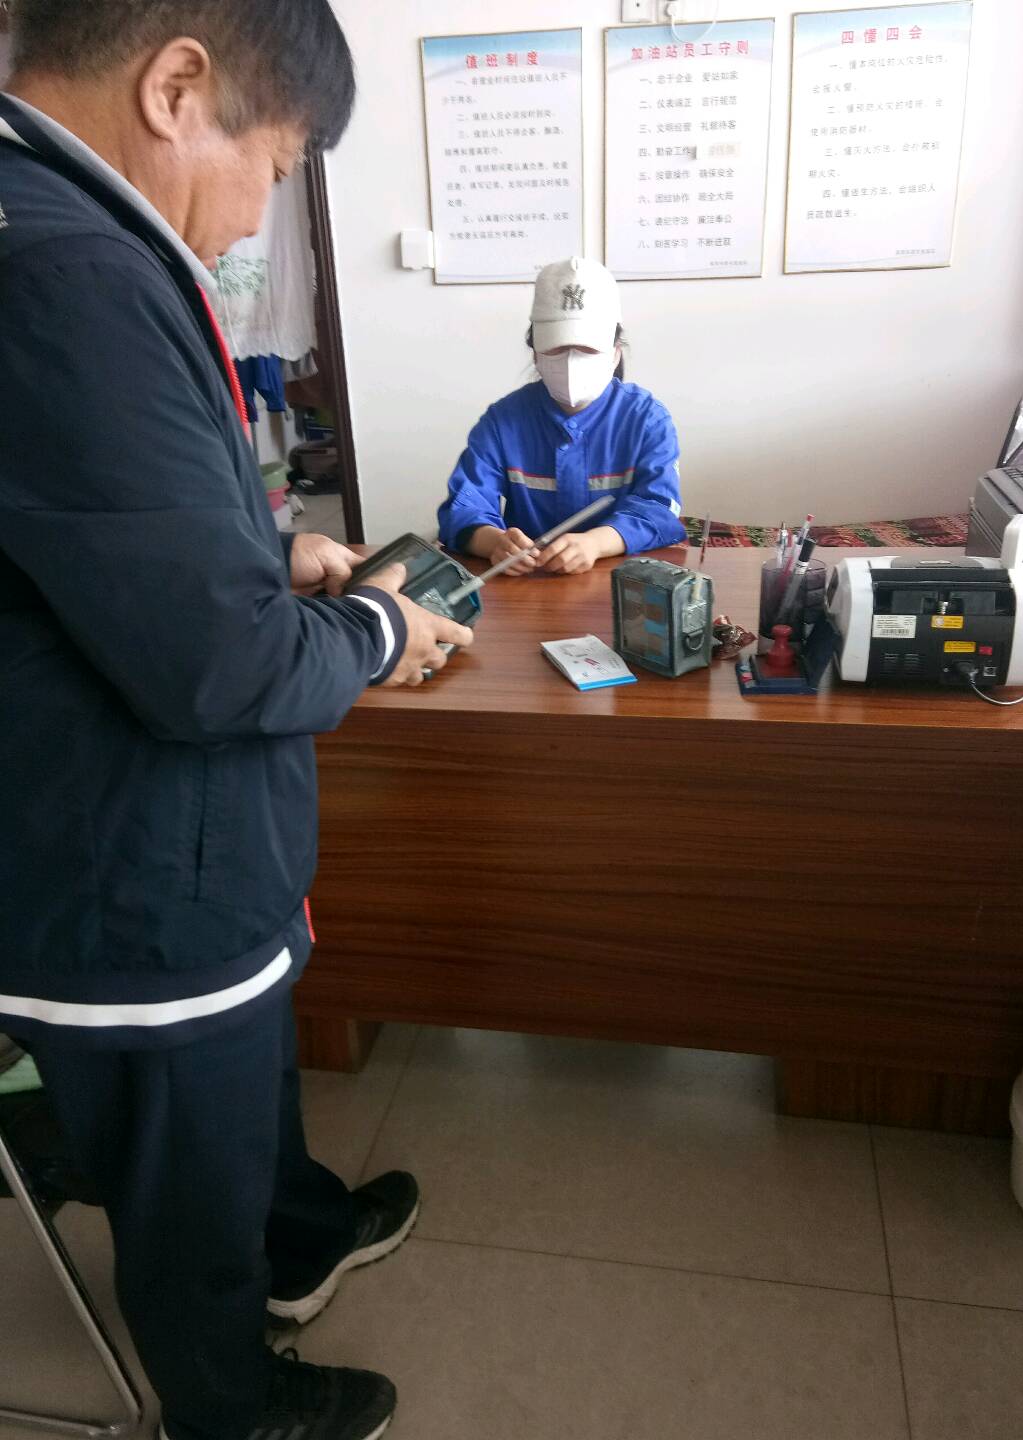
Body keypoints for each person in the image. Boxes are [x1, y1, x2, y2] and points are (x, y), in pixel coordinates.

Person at [0, 5, 473, 1439]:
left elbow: (80, 533)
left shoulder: (65, 225)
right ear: (177, 86)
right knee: (187, 1175)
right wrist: (380, 626)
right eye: (272, 166)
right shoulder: (64, 268)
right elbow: (217, 670)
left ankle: (300, 1236)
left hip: (175, 844)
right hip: (131, 874)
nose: (261, 211)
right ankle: (229, 1406)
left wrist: (269, 552)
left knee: (247, 1095)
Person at [437, 255, 686, 576]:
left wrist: (596, 543)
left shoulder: (647, 419)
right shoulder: (503, 421)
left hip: (620, 583)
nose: (571, 362)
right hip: (525, 582)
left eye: (588, 350)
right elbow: (464, 504)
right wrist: (494, 542)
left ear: (615, 353)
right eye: (556, 349)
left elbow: (660, 508)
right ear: (535, 354)